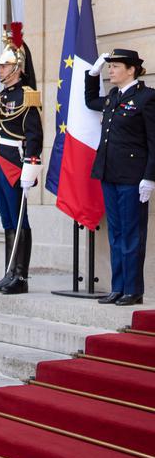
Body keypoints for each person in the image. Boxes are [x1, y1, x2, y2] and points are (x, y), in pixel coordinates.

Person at [85, 48, 155, 306]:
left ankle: (133, 290)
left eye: (115, 66)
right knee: (115, 234)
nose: (110, 70)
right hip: (110, 174)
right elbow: (90, 99)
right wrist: (93, 71)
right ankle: (118, 287)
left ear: (131, 70)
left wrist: (150, 177)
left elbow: (153, 141)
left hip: (133, 179)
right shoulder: (113, 96)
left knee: (131, 234)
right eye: (109, 66)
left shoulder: (147, 98)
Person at [0, 22, 43, 295]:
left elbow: (34, 134)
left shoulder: (27, 96)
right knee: (7, 220)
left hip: (16, 164)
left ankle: (21, 277)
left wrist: (32, 164)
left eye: (4, 65)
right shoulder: (2, 95)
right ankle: (9, 272)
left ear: (18, 67)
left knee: (20, 220)